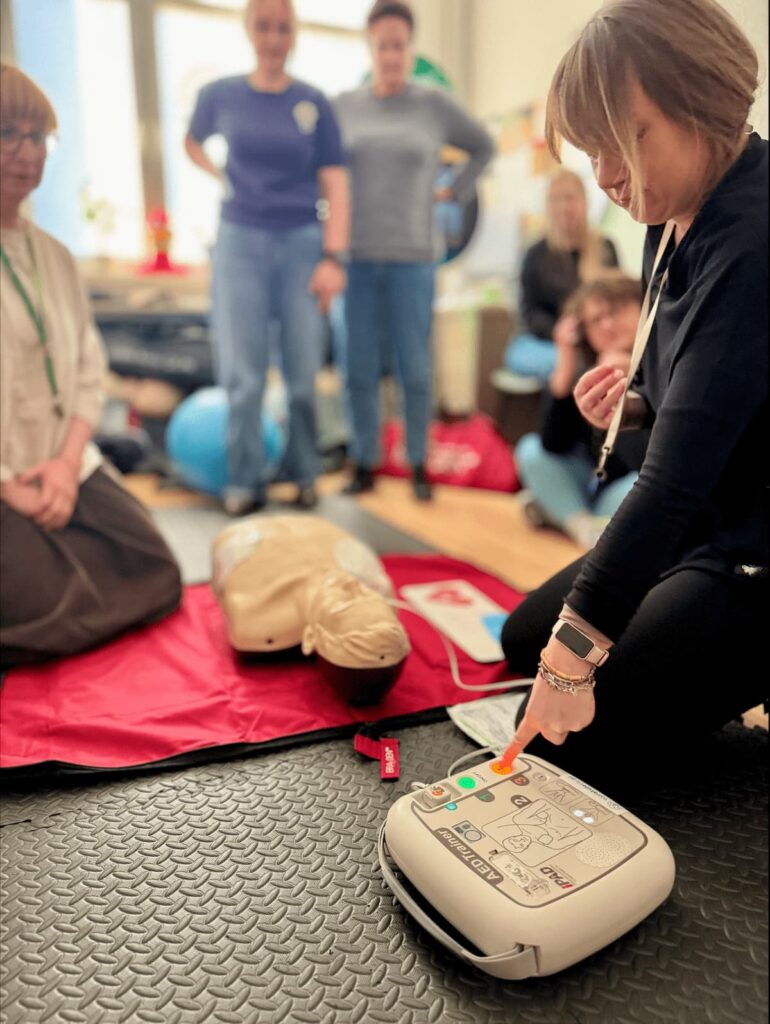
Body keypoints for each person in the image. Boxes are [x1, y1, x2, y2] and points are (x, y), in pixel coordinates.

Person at [501, 0, 768, 793]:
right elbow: (696, 391)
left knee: (570, 732)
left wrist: (572, 660)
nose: (605, 176)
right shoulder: (672, 211)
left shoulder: (753, 238)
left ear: (703, 101)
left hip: (753, 553)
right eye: (593, 152)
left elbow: (670, 483)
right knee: (521, 640)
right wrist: (640, 403)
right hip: (701, 527)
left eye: (624, 142)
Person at [0, 63, 182, 670]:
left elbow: (86, 368)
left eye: (37, 136)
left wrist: (64, 463)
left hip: (64, 464)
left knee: (157, 570)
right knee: (42, 594)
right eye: (7, 133)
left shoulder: (55, 256)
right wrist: (10, 488)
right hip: (4, 478)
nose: (27, 152)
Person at [185, 0, 349, 515]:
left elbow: (336, 184)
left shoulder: (314, 103)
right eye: (264, 27)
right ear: (249, 31)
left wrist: (334, 257)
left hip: (303, 242)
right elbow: (192, 141)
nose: (273, 38)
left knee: (302, 375)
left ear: (293, 34)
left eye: (282, 28)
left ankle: (303, 473)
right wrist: (221, 177)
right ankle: (244, 480)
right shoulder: (221, 94)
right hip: (240, 239)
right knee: (244, 375)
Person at [335, 0, 494, 501]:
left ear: (410, 49)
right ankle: (364, 461)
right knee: (357, 366)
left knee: (415, 367)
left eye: (399, 46)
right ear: (370, 47)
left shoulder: (433, 105)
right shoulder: (345, 106)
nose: (390, 55)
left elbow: (484, 147)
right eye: (382, 46)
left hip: (414, 257)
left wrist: (453, 189)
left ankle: (419, 462)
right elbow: (324, 170)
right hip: (357, 257)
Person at [516, 274, 646, 548]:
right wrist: (565, 364)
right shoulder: (588, 368)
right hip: (590, 481)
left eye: (615, 311)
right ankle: (583, 525)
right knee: (530, 450)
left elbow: (649, 459)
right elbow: (553, 445)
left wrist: (631, 378)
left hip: (628, 487)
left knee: (642, 488)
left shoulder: (661, 367)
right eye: (595, 320)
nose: (607, 325)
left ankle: (562, 514)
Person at [505, 169, 619, 382]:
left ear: (585, 202)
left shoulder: (605, 248)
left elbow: (617, 303)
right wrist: (560, 331)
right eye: (556, 200)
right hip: (543, 341)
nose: (564, 208)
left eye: (570, 198)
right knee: (566, 364)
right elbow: (528, 313)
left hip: (593, 340)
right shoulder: (535, 255)